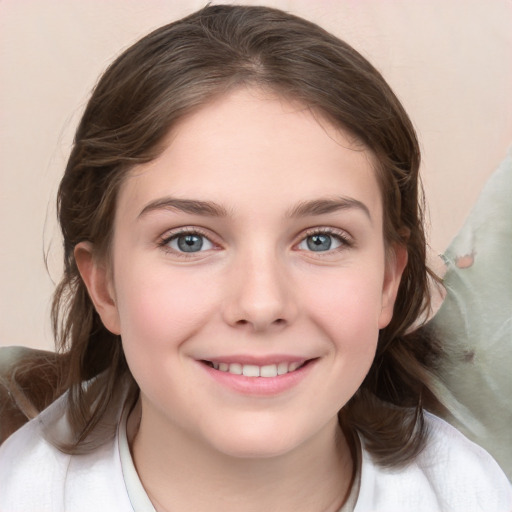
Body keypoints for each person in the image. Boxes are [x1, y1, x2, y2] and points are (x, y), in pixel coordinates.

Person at [0, 5, 510, 511]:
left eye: (321, 240)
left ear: (387, 280)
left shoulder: (474, 493)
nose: (262, 304)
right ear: (105, 285)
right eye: (189, 241)